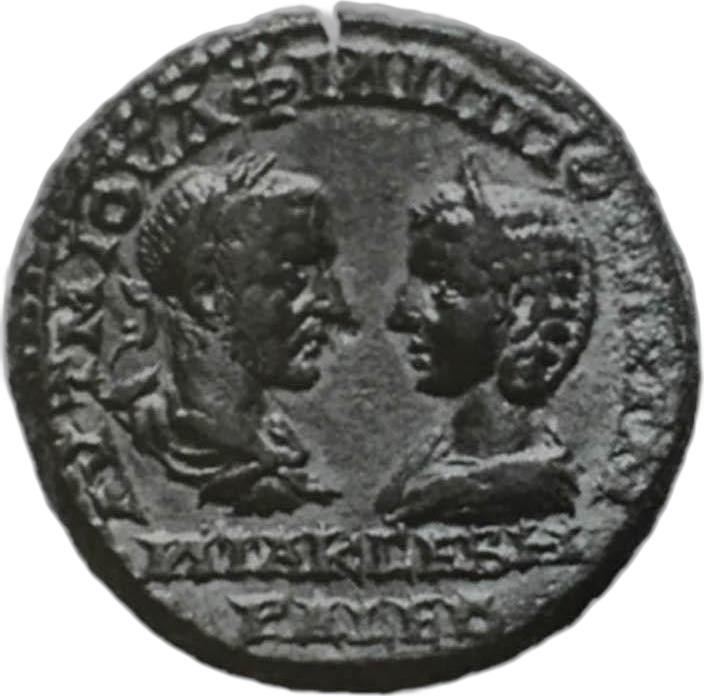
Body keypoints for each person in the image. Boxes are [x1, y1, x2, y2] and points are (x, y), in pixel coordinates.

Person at [103, 150, 356, 516]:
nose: (334, 305)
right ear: (207, 294)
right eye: (293, 281)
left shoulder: (277, 436)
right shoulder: (164, 437)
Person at [377, 150, 595, 524]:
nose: (400, 316)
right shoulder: (429, 460)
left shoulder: (532, 486)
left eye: (443, 287)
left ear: (521, 309)